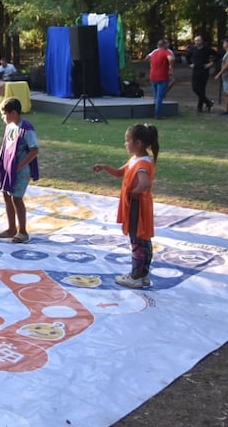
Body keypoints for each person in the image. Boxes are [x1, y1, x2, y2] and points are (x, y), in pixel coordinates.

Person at [92, 123, 160, 288]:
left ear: (138, 143)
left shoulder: (142, 164)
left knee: (137, 240)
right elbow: (119, 172)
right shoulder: (136, 159)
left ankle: (136, 276)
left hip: (137, 206)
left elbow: (144, 184)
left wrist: (134, 193)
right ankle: (143, 275)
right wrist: (105, 167)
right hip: (138, 205)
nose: (125, 144)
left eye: (127, 140)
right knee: (143, 240)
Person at [0, 97, 39, 243]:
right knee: (6, 194)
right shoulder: (9, 127)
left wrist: (20, 166)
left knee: (16, 198)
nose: (2, 117)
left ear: (13, 113)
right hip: (8, 167)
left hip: (21, 170)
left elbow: (34, 150)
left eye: (4, 114)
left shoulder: (26, 128)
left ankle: (23, 231)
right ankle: (11, 228)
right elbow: (5, 145)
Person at [146, 39, 174, 119]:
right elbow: (171, 59)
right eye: (167, 43)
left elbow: (147, 57)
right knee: (160, 96)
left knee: (155, 96)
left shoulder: (154, 52)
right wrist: (170, 67)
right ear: (164, 45)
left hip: (152, 75)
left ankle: (155, 111)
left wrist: (152, 64)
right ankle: (158, 114)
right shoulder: (166, 52)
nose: (168, 45)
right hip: (162, 76)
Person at [187, 35, 215, 113]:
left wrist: (211, 63)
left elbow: (217, 55)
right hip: (195, 70)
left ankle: (200, 107)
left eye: (198, 40)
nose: (196, 42)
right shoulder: (193, 49)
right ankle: (208, 102)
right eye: (195, 41)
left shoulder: (207, 49)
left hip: (204, 71)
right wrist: (190, 64)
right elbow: (187, 57)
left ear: (202, 41)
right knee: (195, 88)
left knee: (202, 89)